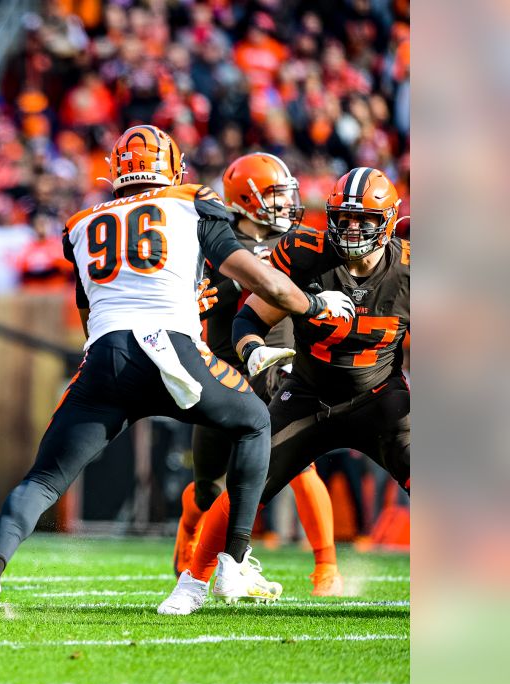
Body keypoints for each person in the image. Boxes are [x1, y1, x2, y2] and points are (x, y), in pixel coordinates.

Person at [0, 126, 356, 628]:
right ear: (172, 169)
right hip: (170, 350)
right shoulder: (190, 202)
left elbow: (89, 308)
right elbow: (263, 280)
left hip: (106, 358)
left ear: (116, 171)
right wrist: (314, 303)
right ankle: (233, 562)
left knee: (44, 479)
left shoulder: (79, 224)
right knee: (253, 423)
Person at [160, 167, 409, 615]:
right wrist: (253, 349)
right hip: (308, 396)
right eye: (344, 218)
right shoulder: (305, 252)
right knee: (243, 482)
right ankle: (192, 583)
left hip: (380, 399)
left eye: (363, 220)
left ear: (388, 220)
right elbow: (249, 319)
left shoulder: (411, 269)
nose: (351, 230)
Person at [175, 152, 343, 596]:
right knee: (208, 486)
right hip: (222, 372)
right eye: (274, 195)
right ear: (246, 198)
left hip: (279, 370)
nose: (286, 204)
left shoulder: (299, 246)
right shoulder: (214, 243)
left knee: (300, 466)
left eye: (286, 195)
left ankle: (326, 567)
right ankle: (189, 539)